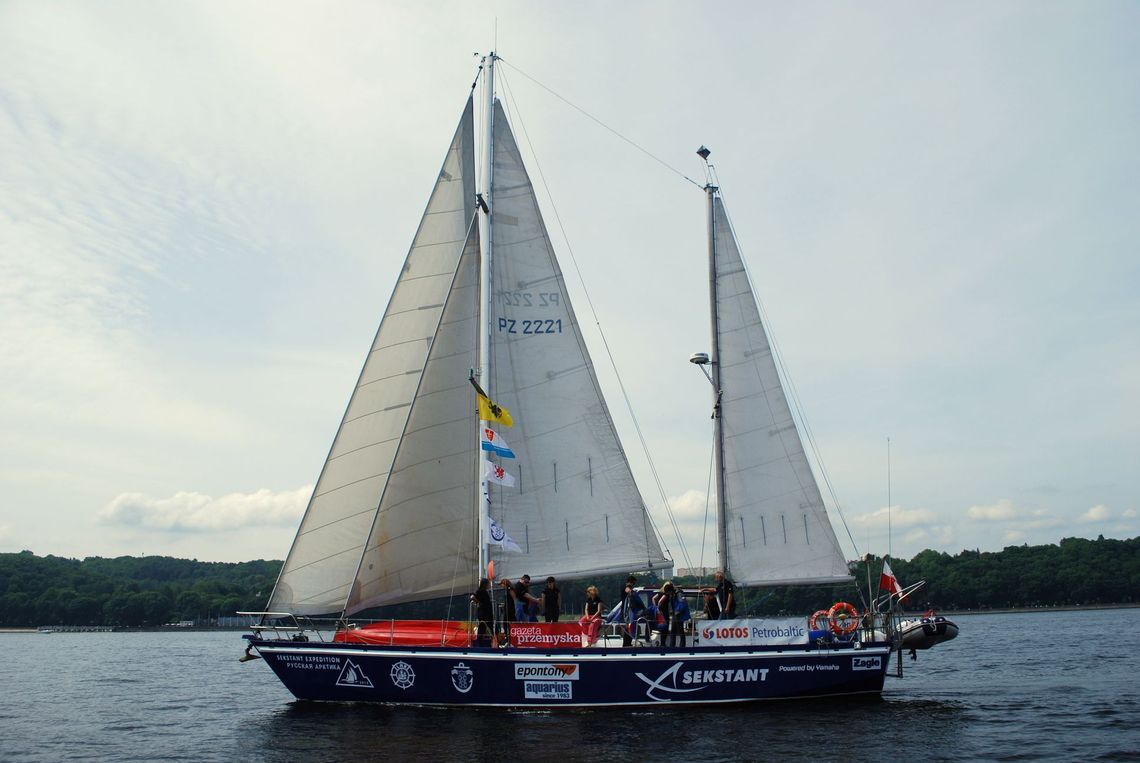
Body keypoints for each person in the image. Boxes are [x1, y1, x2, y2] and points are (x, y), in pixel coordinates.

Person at [617, 574, 645, 646]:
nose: (633, 585)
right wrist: (631, 592)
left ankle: (628, 642)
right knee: (628, 626)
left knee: (630, 627)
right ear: (631, 582)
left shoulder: (630, 589)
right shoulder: (626, 588)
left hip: (630, 611)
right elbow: (627, 590)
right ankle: (626, 643)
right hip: (627, 611)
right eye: (633, 583)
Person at [470, 577, 493, 647]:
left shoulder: (485, 591)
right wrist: (478, 602)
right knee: (482, 628)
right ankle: (479, 644)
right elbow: (472, 597)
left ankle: (491, 642)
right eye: (488, 583)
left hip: (487, 613)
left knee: (488, 628)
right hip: (483, 613)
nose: (489, 585)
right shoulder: (480, 591)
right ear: (485, 584)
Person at [498, 578, 516, 644]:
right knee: (505, 623)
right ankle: (507, 637)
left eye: (502, 584)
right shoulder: (506, 590)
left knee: (508, 622)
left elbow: (514, 598)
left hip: (510, 608)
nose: (501, 586)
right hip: (507, 607)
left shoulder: (510, 589)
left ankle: (510, 638)